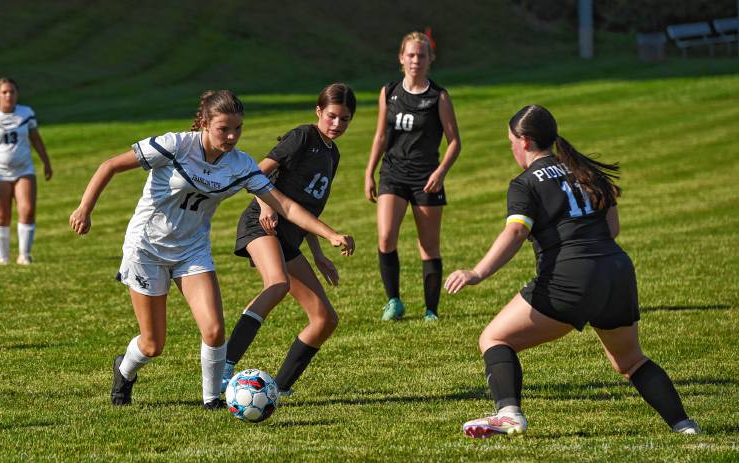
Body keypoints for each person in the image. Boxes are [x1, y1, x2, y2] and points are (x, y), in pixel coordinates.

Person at [68, 90, 354, 409]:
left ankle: (211, 400)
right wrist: (84, 209)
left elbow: (285, 204)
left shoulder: (240, 164)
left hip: (192, 250)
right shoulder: (175, 146)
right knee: (152, 344)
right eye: (224, 129)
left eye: (238, 129)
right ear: (205, 123)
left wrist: (329, 234)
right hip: (147, 249)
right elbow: (110, 166)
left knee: (215, 330)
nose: (231, 136)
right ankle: (124, 372)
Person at [444, 104, 700, 438]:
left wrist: (477, 272)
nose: (511, 149)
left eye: (510, 142)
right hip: (617, 271)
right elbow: (613, 229)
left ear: (523, 140)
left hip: (571, 276)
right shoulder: (586, 172)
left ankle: (508, 415)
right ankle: (685, 426)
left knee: (494, 338)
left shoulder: (525, 183)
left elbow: (516, 232)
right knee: (631, 361)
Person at [222, 83, 356, 396]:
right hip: (262, 224)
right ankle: (223, 367)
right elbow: (258, 172)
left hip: (289, 237)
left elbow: (306, 210)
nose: (337, 124)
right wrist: (267, 204)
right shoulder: (303, 136)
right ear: (319, 111)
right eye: (332, 116)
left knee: (324, 319)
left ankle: (279, 389)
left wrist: (319, 254)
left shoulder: (331, 154)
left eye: (345, 119)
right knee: (277, 283)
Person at [364, 31, 461, 321]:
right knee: (385, 237)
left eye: (421, 55)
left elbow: (455, 141)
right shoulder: (389, 91)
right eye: (411, 55)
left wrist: (441, 172)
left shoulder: (438, 96)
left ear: (430, 59)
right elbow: (381, 135)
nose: (415, 60)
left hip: (425, 178)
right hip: (392, 173)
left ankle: (431, 310)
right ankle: (394, 302)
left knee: (428, 245)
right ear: (401, 58)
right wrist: (369, 172)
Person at [0, 77, 53, 265]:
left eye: (12, 92)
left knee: (28, 210)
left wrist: (46, 162)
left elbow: (36, 139)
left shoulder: (26, 113)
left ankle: (24, 255)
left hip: (24, 169)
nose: (9, 95)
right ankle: (4, 258)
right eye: (5, 92)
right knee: (1, 215)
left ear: (17, 94)